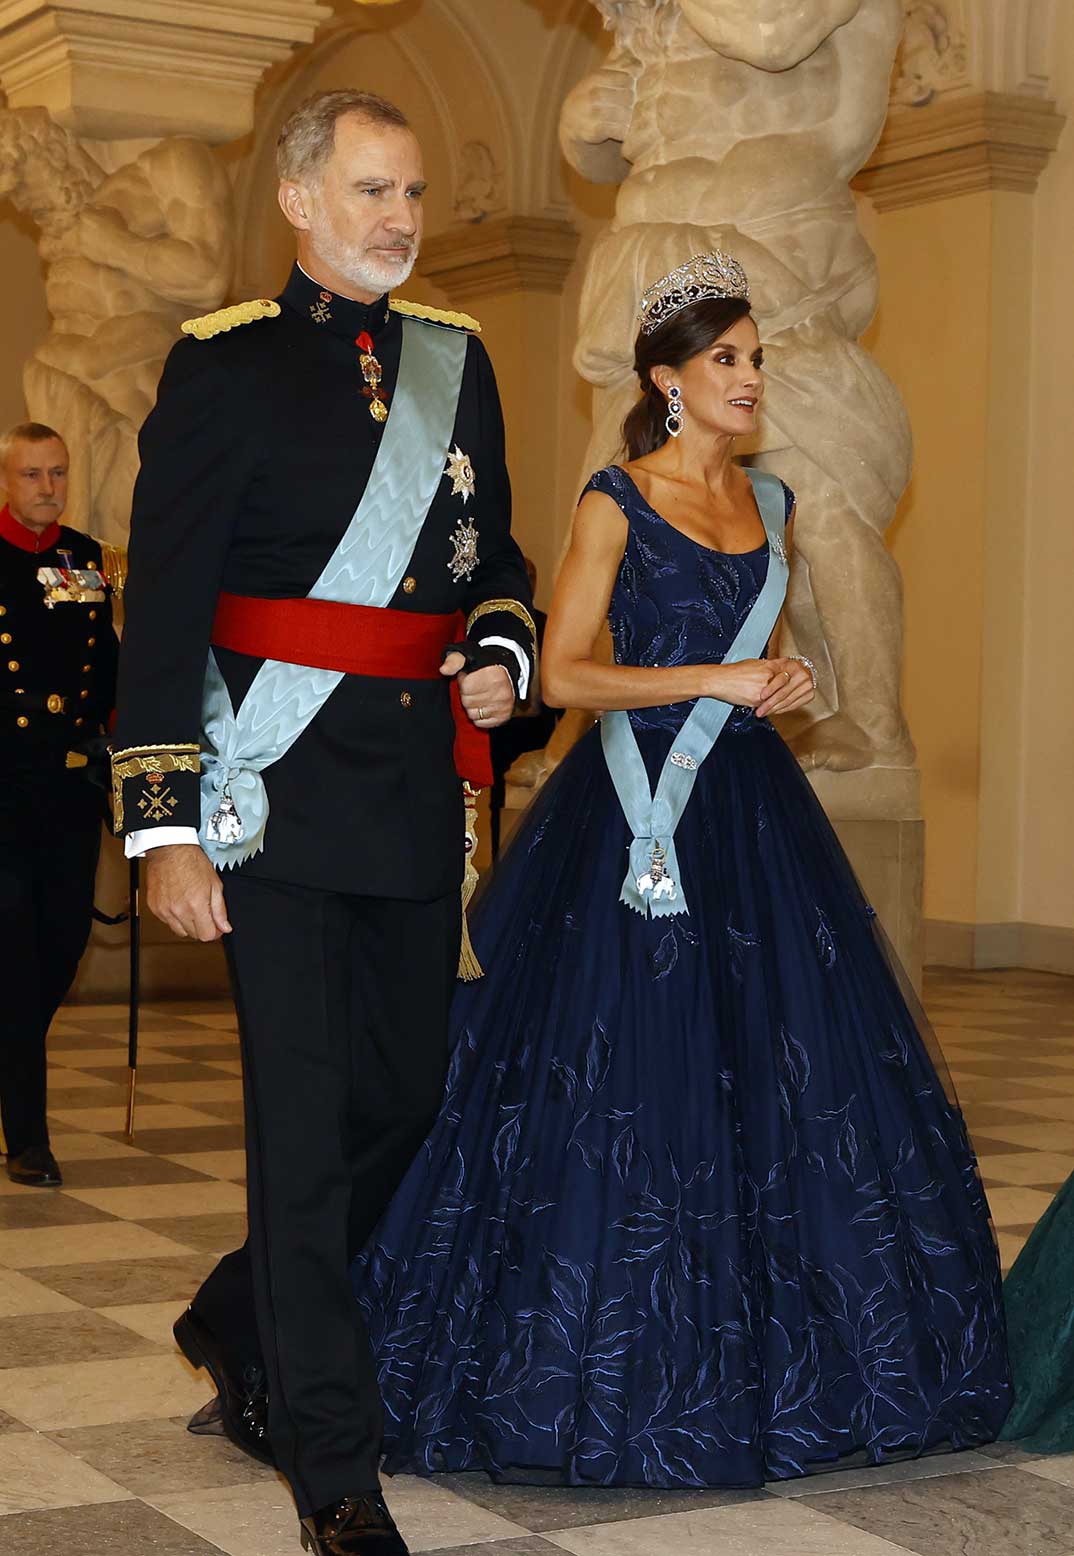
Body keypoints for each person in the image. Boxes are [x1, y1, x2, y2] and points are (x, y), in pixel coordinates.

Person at [351, 252, 1012, 1488]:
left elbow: (769, 657)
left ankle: (791, 1369)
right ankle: (589, 1366)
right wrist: (709, 678)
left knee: (776, 1074)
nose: (750, 377)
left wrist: (785, 684)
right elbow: (565, 677)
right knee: (619, 1077)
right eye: (727, 360)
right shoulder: (616, 497)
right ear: (668, 382)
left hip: (752, 818)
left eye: (757, 358)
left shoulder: (781, 508)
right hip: (628, 818)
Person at [110, 90, 535, 1556]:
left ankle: (240, 1315)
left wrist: (503, 654)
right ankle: (332, 1470)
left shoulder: (457, 363)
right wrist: (163, 830)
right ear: (299, 200)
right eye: (369, 191)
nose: (399, 218)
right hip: (267, 806)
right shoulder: (224, 366)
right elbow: (160, 606)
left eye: (412, 192)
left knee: (402, 1100)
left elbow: (496, 563)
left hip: (415, 800)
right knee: (297, 1136)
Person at [0, 422, 119, 1189]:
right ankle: (29, 1138)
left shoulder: (87, 558)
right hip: (2, 784)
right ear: (7, 482)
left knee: (66, 938)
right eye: (33, 475)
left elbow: (104, 662)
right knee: (14, 951)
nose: (48, 487)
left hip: (71, 783)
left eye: (58, 474)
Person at [487, 557, 560, 860]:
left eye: (532, 577)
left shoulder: (547, 624)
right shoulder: (488, 627)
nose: (528, 584)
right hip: (500, 726)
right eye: (524, 577)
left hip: (536, 727)